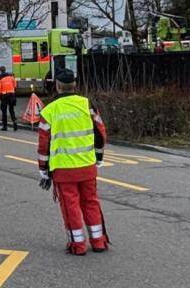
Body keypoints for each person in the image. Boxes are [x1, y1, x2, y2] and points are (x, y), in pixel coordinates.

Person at [37, 68, 109, 256]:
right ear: (74, 85)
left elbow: (44, 144)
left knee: (71, 206)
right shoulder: (87, 105)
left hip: (63, 169)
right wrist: (99, 158)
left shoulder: (49, 110)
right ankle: (99, 241)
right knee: (91, 203)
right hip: (87, 165)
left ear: (58, 86)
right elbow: (100, 133)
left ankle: (78, 245)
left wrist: (43, 169)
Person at [0, 65, 18, 131]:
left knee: (4, 111)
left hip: (4, 96)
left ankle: (5, 126)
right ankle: (14, 122)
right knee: (11, 110)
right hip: (12, 95)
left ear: (0, 70)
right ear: (5, 70)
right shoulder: (11, 76)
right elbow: (15, 85)